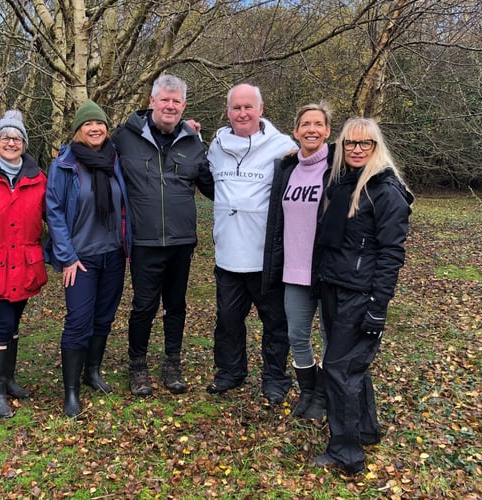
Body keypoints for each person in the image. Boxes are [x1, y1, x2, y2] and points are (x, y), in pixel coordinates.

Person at [311, 117, 413, 474]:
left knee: (340, 369)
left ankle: (346, 453)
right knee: (352, 367)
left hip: (361, 295)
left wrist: (377, 307)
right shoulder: (340, 183)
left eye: (364, 144)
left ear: (375, 147)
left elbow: (391, 254)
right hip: (333, 288)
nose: (356, 150)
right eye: (350, 144)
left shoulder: (386, 191)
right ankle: (365, 430)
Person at [112, 74, 214, 396]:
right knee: (144, 306)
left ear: (183, 106)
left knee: (176, 304)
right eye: (164, 100)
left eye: (176, 101)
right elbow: (94, 157)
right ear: (152, 101)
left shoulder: (193, 142)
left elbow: (212, 186)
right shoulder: (124, 137)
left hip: (182, 241)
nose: (170, 106)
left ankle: (172, 362)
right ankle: (137, 365)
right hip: (144, 241)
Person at [206, 83, 297, 404]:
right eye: (235, 107)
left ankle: (275, 378)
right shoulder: (215, 146)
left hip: (266, 258)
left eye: (248, 107)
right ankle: (231, 371)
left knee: (275, 323)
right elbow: (207, 182)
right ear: (227, 111)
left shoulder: (283, 147)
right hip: (228, 256)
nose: (242, 113)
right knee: (228, 322)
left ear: (260, 109)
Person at [45, 100, 132, 417]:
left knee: (104, 317)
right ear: (78, 130)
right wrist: (66, 256)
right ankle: (70, 391)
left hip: (113, 254)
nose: (95, 129)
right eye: (88, 124)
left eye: (100, 124)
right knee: (78, 321)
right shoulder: (64, 164)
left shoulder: (115, 160)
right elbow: (53, 212)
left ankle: (92, 372)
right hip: (80, 259)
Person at [0, 110, 48, 418]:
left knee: (14, 325)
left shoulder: (37, 178)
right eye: (5, 137)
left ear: (24, 143)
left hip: (25, 264)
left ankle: (10, 380)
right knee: (1, 325)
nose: (11, 142)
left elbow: (51, 217)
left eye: (16, 137)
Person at [262, 102, 334, 418]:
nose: (312, 130)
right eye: (305, 124)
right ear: (296, 131)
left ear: (328, 131)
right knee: (297, 337)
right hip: (294, 270)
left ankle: (324, 397)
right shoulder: (287, 168)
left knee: (331, 340)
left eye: (318, 124)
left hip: (328, 271)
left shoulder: (338, 168)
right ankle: (308, 391)